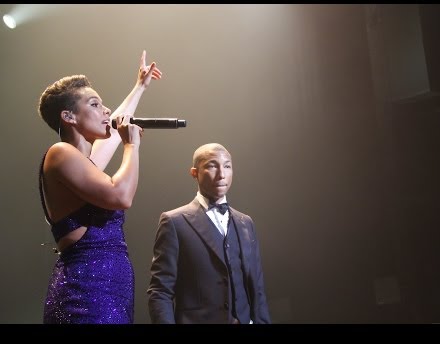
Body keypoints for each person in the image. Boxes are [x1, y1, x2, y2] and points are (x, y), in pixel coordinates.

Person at [38, 50, 162, 324]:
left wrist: (139, 88)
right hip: (85, 294)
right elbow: (121, 195)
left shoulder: (85, 162)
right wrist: (132, 145)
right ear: (69, 117)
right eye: (95, 105)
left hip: (110, 292)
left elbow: (112, 133)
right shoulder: (60, 153)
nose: (106, 110)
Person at [147, 143, 271, 324]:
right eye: (212, 166)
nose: (221, 174)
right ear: (194, 173)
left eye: (227, 166)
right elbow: (160, 291)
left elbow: (257, 288)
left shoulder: (246, 223)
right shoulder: (174, 222)